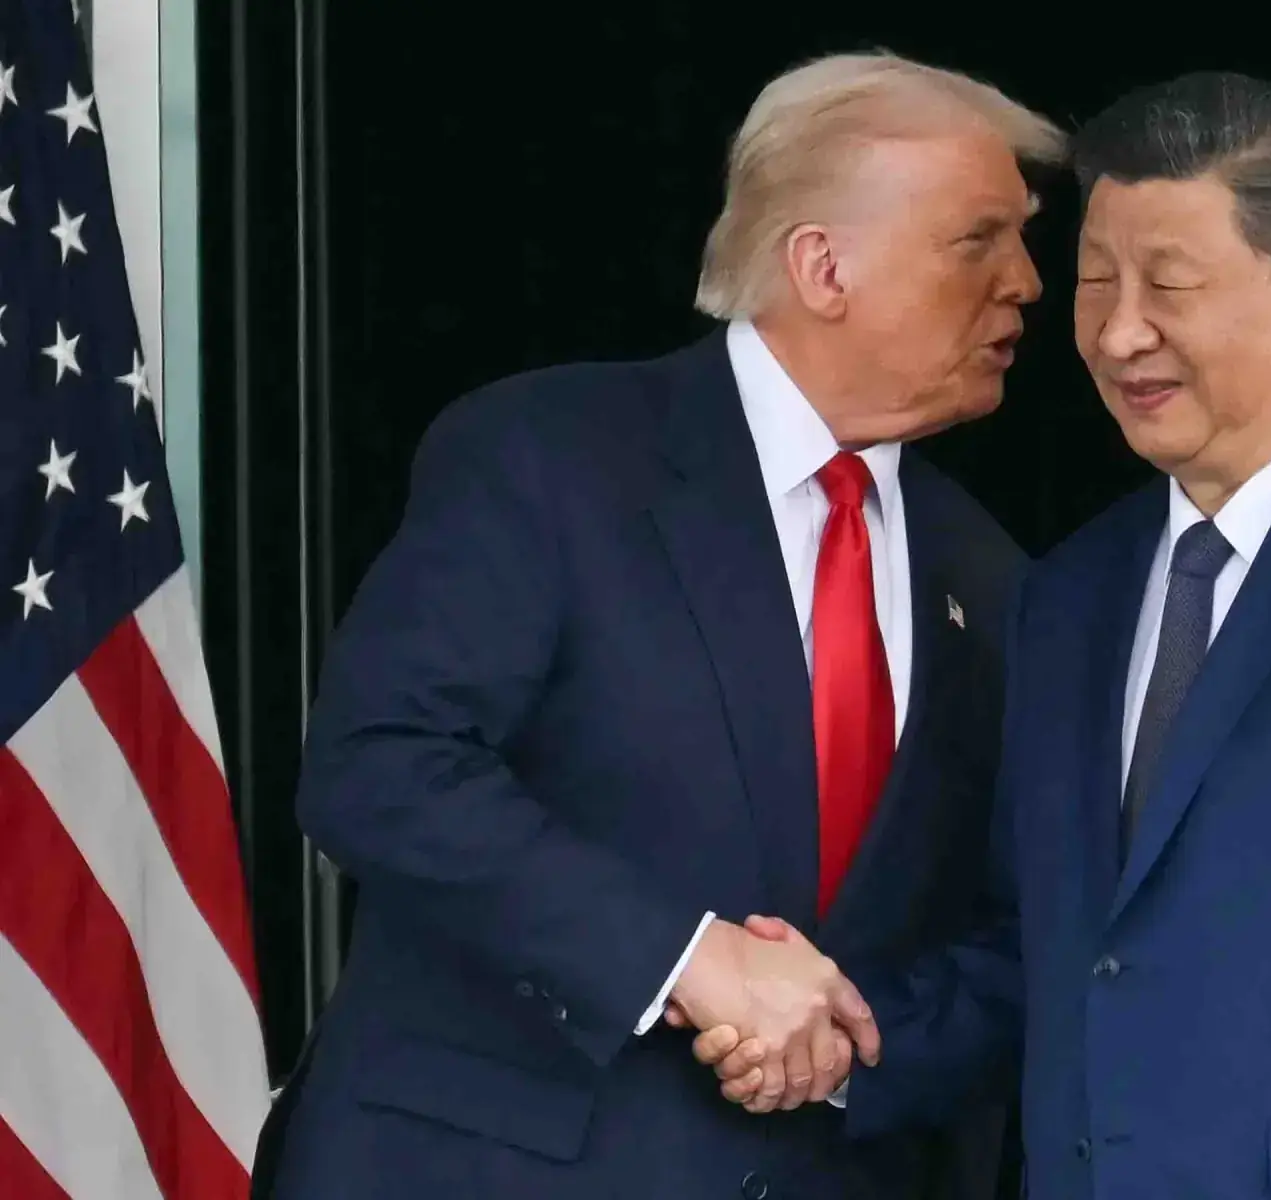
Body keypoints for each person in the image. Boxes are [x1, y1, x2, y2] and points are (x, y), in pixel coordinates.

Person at [693, 70, 1271, 1199]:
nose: (1116, 331)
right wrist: (829, 1047)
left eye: (1169, 283)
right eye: (1095, 282)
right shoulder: (1062, 594)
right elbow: (1036, 955)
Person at [249, 50, 1063, 1200]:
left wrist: (838, 1056)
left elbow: (1021, 929)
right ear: (822, 265)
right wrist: (688, 960)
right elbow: (377, 768)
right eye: (979, 238)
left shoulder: (994, 576)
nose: (1028, 280)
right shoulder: (551, 456)